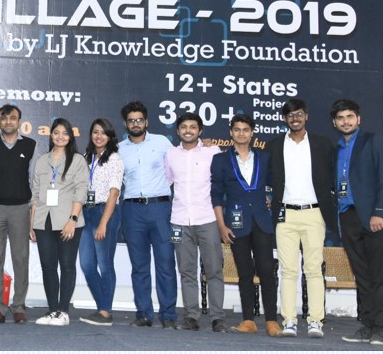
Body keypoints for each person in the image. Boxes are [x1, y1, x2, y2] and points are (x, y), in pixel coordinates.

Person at [267, 98, 337, 339]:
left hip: (314, 213)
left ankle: (316, 320)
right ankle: (289, 320)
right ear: (283, 119)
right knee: (288, 270)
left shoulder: (322, 144)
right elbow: (265, 177)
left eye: (299, 114)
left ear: (306, 116)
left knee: (314, 269)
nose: (295, 119)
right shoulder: (274, 146)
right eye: (290, 115)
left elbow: (334, 174)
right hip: (285, 214)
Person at [331, 99, 383, 347]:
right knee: (362, 276)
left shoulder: (373, 141)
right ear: (334, 122)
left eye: (350, 116)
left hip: (374, 218)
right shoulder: (336, 149)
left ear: (358, 119)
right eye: (340, 118)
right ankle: (366, 326)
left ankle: (380, 329)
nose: (345, 121)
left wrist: (379, 212)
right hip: (347, 215)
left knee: (379, 276)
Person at [211, 113, 280, 337]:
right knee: (244, 272)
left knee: (267, 270)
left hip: (261, 221)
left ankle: (272, 321)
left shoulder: (264, 157)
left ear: (252, 133)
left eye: (246, 130)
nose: (241, 134)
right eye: (237, 130)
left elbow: (274, 184)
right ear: (231, 133)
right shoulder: (220, 160)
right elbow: (216, 194)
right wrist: (221, 225)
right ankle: (248, 320)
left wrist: (269, 197)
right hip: (236, 223)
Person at [164, 112, 228, 332]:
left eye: (193, 127)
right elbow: (167, 181)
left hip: (207, 218)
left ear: (200, 130)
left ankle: (218, 317)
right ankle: (191, 316)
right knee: (186, 271)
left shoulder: (213, 151)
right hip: (179, 220)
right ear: (178, 131)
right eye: (184, 127)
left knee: (214, 270)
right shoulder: (171, 154)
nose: (188, 131)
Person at [116, 100, 177, 328]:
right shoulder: (119, 149)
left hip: (160, 208)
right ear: (125, 124)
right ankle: (143, 313)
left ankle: (168, 315)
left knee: (165, 263)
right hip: (132, 210)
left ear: (146, 122)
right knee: (139, 266)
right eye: (131, 121)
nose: (135, 124)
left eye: (139, 120)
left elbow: (178, 166)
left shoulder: (162, 143)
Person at [0, 104, 37, 325]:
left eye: (12, 118)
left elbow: (33, 178)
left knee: (21, 258)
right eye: (4, 118)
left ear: (19, 121)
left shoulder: (30, 145)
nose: (8, 122)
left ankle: (18, 305)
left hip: (21, 208)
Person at [31, 118, 87, 327]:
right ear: (51, 135)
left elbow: (81, 191)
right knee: (48, 266)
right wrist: (32, 223)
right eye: (56, 132)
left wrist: (72, 220)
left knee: (67, 265)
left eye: (65, 133)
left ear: (70, 137)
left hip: (67, 220)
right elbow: (35, 194)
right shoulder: (41, 161)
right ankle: (52, 309)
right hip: (43, 220)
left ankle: (63, 311)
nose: (60, 136)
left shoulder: (78, 160)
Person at [77, 118, 123, 327]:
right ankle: (102, 307)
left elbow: (114, 193)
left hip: (106, 212)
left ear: (109, 136)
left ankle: (105, 311)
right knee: (87, 264)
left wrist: (104, 222)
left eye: (103, 132)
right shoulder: (87, 158)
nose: (99, 136)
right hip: (86, 212)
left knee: (105, 264)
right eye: (95, 132)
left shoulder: (114, 159)